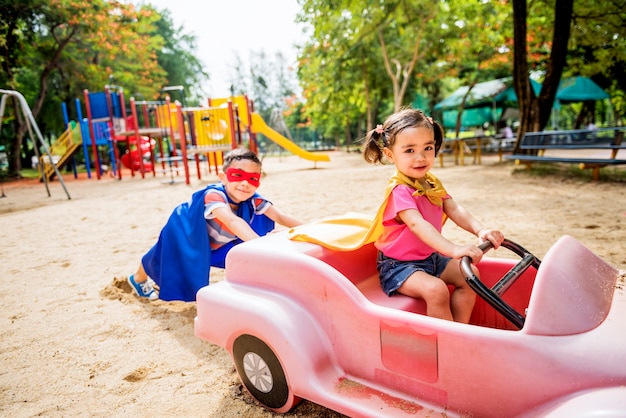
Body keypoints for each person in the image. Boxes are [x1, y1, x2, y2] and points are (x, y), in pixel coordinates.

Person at [362, 108, 504, 323]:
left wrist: (481, 229)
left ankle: (461, 330)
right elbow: (418, 225)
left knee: (470, 275)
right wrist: (453, 249)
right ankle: (447, 343)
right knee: (437, 290)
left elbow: (454, 208)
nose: (421, 158)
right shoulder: (399, 191)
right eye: (409, 150)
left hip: (431, 258)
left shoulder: (430, 182)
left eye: (427, 148)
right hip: (399, 266)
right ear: (390, 154)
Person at [128, 147, 303, 302]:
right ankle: (138, 278)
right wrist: (261, 244)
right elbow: (231, 220)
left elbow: (281, 216)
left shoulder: (253, 199)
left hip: (215, 243)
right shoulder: (214, 195)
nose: (245, 183)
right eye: (237, 175)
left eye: (252, 178)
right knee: (162, 252)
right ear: (223, 177)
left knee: (244, 256)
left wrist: (313, 229)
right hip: (185, 232)